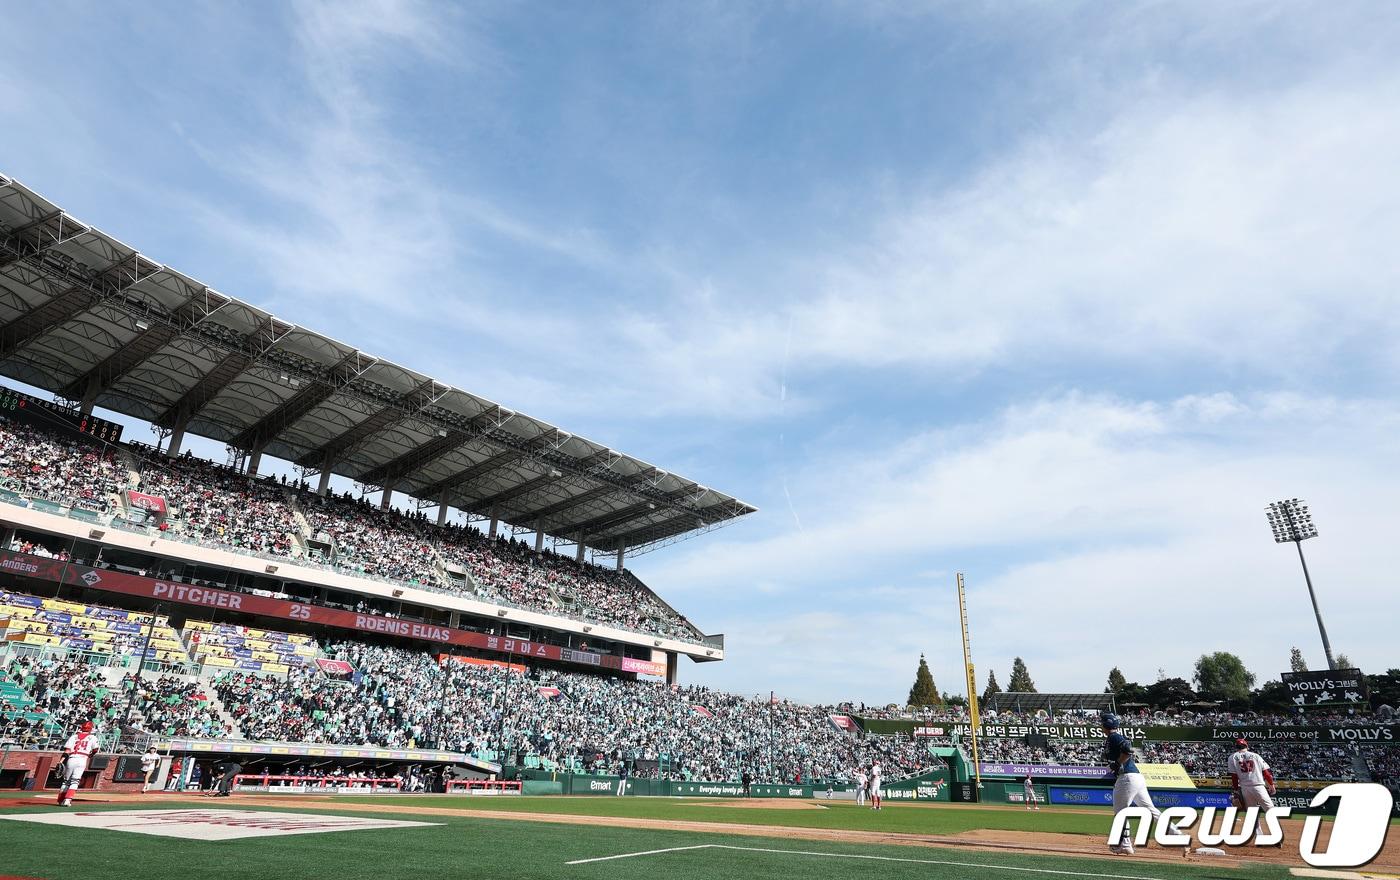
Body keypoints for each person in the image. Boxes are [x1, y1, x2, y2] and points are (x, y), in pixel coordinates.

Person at [1101, 712, 1187, 856]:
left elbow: (1128, 750)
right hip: (1135, 777)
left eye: (1102, 723)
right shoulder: (1111, 739)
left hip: (1127, 778)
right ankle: (1179, 837)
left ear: (1106, 725)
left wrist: (1117, 763)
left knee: (1120, 813)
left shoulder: (1114, 737)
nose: (1100, 725)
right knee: (1152, 811)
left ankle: (1126, 845)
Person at [56, 720, 99, 806]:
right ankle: (68, 800)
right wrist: (91, 754)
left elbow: (67, 751)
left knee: (66, 781)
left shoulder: (73, 737)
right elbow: (95, 749)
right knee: (75, 781)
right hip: (82, 759)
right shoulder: (93, 737)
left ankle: (61, 800)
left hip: (71, 758)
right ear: (90, 729)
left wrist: (60, 761)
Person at [1227, 738, 1276, 809]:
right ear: (1246, 746)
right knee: (1270, 809)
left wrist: (1236, 789)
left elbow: (1234, 776)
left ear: (1236, 747)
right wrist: (1271, 785)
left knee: (1251, 812)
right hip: (1258, 786)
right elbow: (1266, 773)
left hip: (1245, 788)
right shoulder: (1256, 756)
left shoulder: (1232, 758)